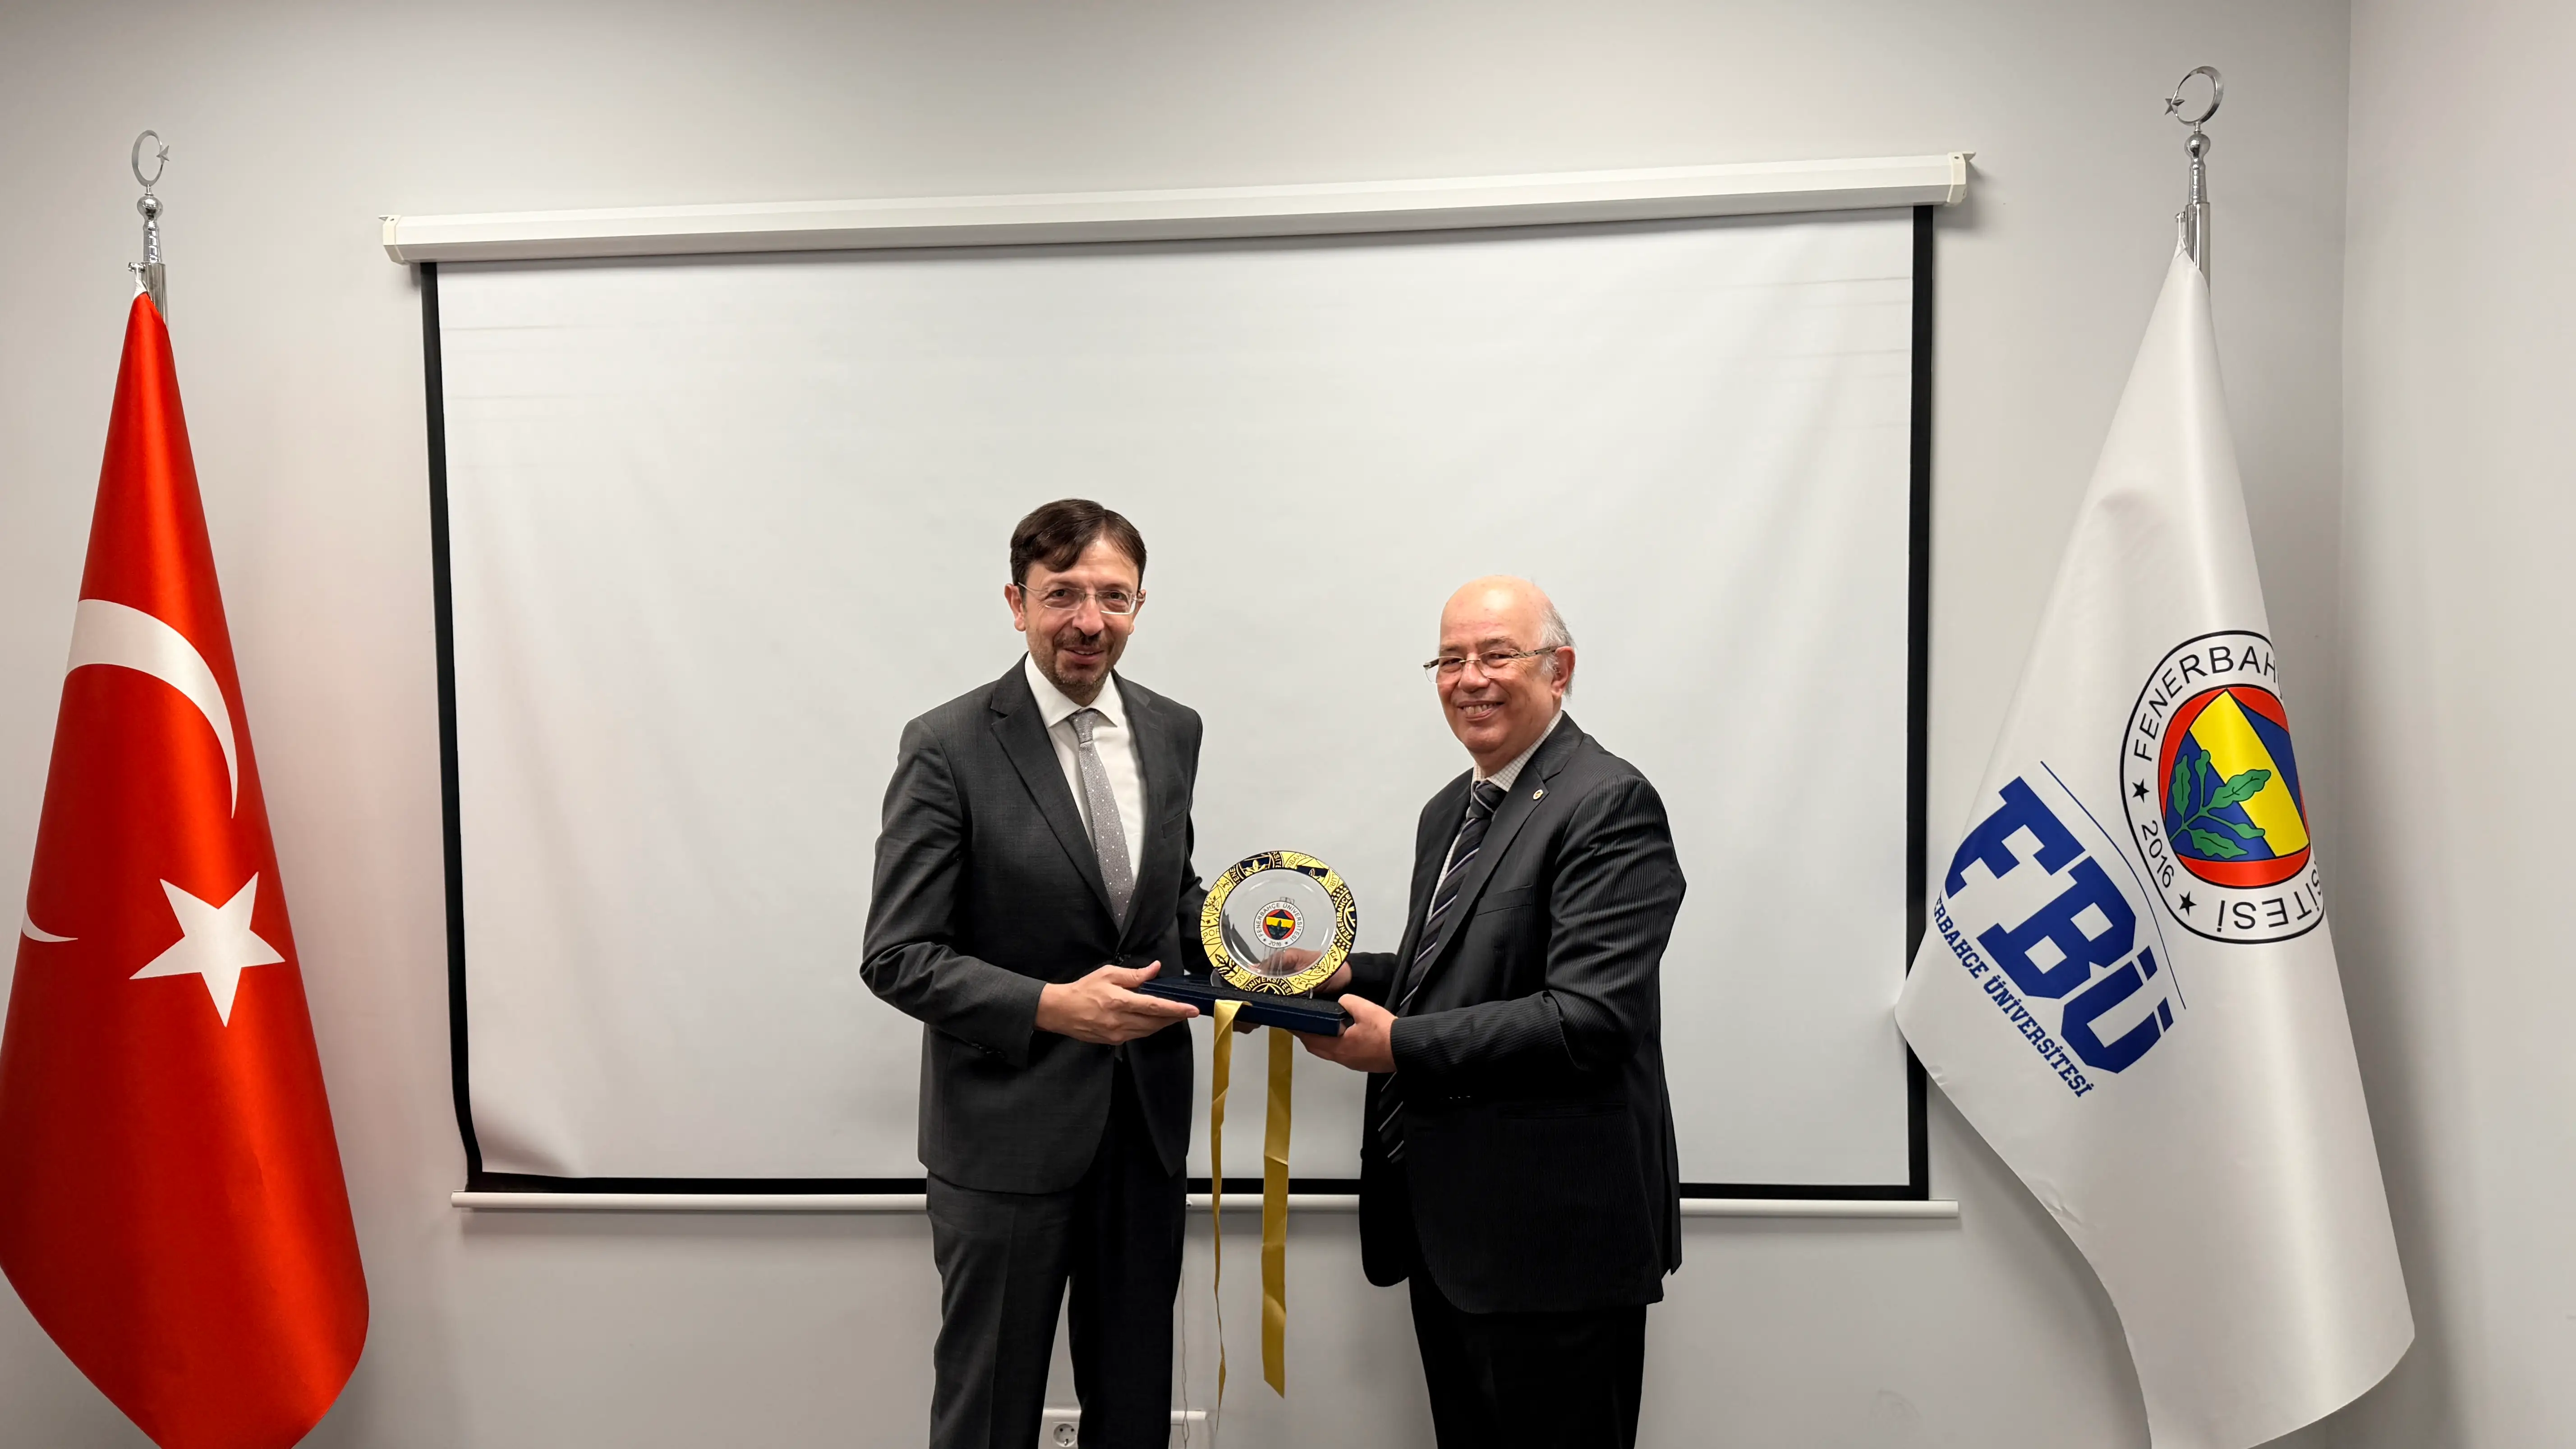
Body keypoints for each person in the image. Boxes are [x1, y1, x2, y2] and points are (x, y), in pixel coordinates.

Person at [1298, 575, 1685, 1449]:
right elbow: (1453, 974)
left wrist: (1399, 1046)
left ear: (1560, 669)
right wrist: (1336, 975)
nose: (1470, 678)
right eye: (1450, 659)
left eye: (1497, 654)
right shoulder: (1452, 809)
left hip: (1554, 1243)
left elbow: (1590, 1018)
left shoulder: (1607, 801)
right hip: (1450, 1231)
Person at [862, 499, 1207, 1449]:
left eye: (1113, 597)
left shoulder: (1174, 730)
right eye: (1063, 595)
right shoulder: (947, 744)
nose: (1089, 621)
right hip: (1005, 1144)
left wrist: (1253, 960)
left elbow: (1168, 899)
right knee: (988, 1416)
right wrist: (1055, 1007)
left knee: (1135, 1412)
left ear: (1140, 605)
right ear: (1017, 604)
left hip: (1144, 1137)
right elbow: (898, 955)